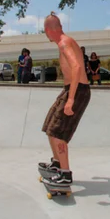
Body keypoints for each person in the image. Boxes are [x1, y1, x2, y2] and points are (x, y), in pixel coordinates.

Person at [39, 12, 91, 186]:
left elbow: (76, 67)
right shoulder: (64, 42)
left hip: (77, 91)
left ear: (48, 30)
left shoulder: (64, 43)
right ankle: (57, 163)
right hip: (70, 90)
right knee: (50, 126)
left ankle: (65, 174)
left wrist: (71, 99)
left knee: (58, 132)